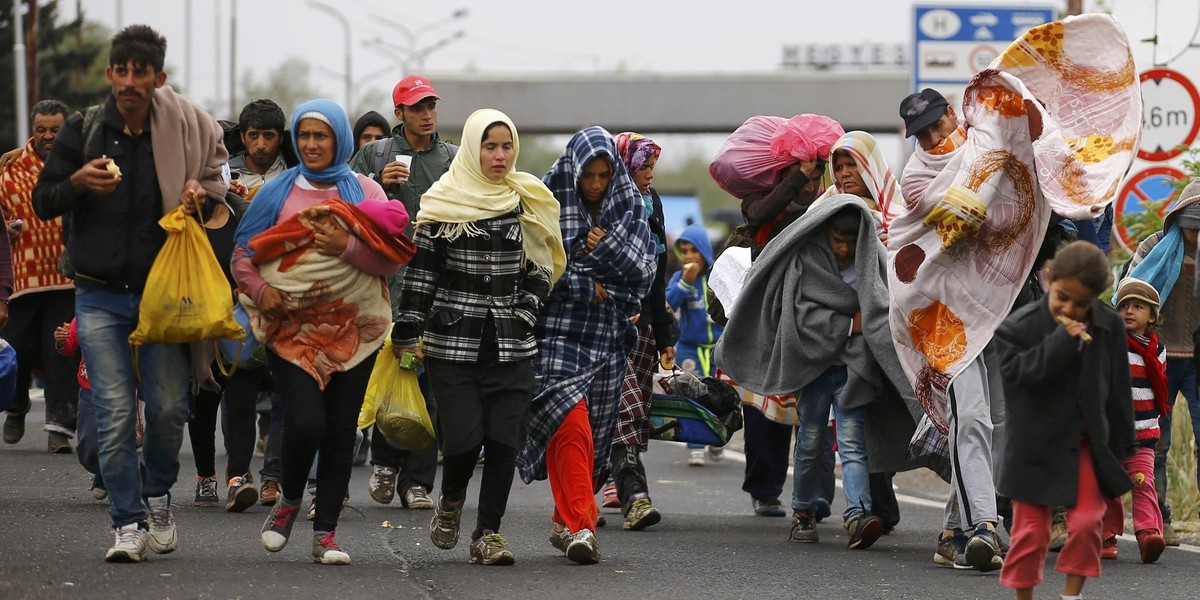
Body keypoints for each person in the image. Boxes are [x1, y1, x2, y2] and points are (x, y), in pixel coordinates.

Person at [32, 24, 228, 562]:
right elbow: (43, 199)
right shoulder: (85, 130)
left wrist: (197, 193)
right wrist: (77, 183)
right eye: (121, 70)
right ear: (110, 75)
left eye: (141, 72)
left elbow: (217, 183)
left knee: (167, 410)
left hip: (164, 296)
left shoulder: (183, 129)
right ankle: (127, 522)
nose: (130, 81)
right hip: (98, 296)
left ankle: (158, 492)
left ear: (157, 77)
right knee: (116, 413)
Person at [234, 99, 412, 565]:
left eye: (321, 135)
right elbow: (242, 255)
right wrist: (259, 288)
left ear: (339, 140)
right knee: (305, 422)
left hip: (356, 331)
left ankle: (327, 532)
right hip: (291, 330)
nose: (311, 145)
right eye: (305, 136)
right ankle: (290, 499)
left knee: (339, 431)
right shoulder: (275, 193)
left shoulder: (366, 191)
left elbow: (390, 261)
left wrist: (346, 245)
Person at [396, 108, 564, 566]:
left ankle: (487, 534)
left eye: (506, 146)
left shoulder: (525, 199)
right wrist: (406, 332)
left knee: (505, 443)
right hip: (455, 344)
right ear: (473, 148)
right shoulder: (441, 203)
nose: (499, 155)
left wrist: (529, 307)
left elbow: (541, 266)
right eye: (490, 146)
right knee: (466, 440)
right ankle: (451, 500)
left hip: (512, 344)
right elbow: (422, 276)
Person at [717, 197, 915, 551]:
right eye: (836, 239)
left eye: (849, 242)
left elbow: (883, 311)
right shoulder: (805, 262)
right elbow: (800, 318)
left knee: (853, 443)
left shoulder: (871, 263)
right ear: (825, 233)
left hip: (855, 366)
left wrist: (862, 326)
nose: (842, 248)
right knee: (809, 442)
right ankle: (803, 511)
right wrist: (849, 324)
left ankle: (858, 514)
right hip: (813, 367)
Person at [518, 126, 656, 565]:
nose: (595, 185)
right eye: (588, 176)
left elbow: (643, 275)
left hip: (609, 336)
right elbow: (533, 270)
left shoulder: (631, 203)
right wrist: (582, 280)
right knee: (567, 415)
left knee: (591, 438)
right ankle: (582, 524)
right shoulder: (545, 200)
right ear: (574, 171)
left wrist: (600, 248)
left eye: (603, 175)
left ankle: (564, 520)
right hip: (554, 332)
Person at [899, 88, 1010, 569]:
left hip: (1000, 302)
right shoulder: (915, 177)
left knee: (995, 425)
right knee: (972, 417)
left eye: (935, 125)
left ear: (951, 114)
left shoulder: (991, 148)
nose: (931, 138)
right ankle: (984, 525)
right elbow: (957, 215)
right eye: (920, 133)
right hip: (945, 314)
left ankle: (951, 529)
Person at [994, 241, 1135, 600]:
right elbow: (1018, 376)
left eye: (1082, 304)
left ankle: (1071, 596)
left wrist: (1125, 445)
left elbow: (1119, 387)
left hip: (1084, 443)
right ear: (1048, 279)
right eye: (1063, 298)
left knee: (1088, 523)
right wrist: (1060, 341)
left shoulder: (1108, 326)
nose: (1071, 309)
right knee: (1031, 533)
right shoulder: (1018, 328)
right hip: (1033, 446)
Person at [349, 75, 455, 511]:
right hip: (383, 284)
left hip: (436, 287)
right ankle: (385, 463)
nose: (426, 114)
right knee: (386, 375)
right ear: (400, 114)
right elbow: (345, 200)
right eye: (416, 107)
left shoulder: (451, 158)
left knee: (427, 379)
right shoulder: (376, 154)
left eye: (430, 105)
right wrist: (378, 180)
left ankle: (418, 481)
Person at [604, 132, 678, 529]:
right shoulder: (603, 206)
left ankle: (590, 487)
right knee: (624, 408)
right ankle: (635, 497)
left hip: (645, 327)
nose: (649, 174)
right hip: (610, 326)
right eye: (642, 167)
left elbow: (659, 274)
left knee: (629, 414)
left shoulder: (653, 203)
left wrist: (664, 336)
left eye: (652, 168)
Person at [1, 99, 79, 453]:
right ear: (32, 130)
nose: (48, 136)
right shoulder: (9, 168)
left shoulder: (80, 166)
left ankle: (59, 428)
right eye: (41, 130)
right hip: (21, 281)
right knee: (15, 349)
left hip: (68, 278)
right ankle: (16, 406)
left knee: (61, 352)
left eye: (56, 130)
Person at [1125, 178, 1200, 546]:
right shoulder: (1154, 248)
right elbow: (1128, 291)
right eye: (1192, 225)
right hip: (1159, 362)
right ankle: (1159, 518)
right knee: (1157, 443)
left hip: (1197, 360)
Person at [1102, 277, 1167, 563]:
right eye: (1123, 306)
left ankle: (1148, 534)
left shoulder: (1158, 350)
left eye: (1138, 307)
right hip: (1110, 435)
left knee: (1143, 483)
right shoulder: (1110, 343)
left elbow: (1158, 388)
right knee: (1107, 487)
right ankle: (1105, 536)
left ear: (1152, 315)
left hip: (1143, 433)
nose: (1129, 311)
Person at [665, 223, 724, 466]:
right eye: (684, 251)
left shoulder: (717, 277)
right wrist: (685, 284)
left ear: (704, 252)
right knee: (693, 397)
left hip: (717, 349)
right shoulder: (680, 278)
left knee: (719, 396)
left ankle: (716, 436)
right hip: (689, 348)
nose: (689, 256)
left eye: (694, 250)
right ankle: (696, 444)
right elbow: (668, 305)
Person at [228, 99, 290, 196]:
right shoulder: (225, 176)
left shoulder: (295, 174)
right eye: (253, 135)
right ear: (243, 137)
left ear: (280, 138)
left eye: (269, 135)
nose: (261, 145)